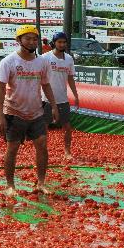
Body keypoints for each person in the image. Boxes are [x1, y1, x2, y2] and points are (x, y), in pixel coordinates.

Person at [0, 24, 59, 197]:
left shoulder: (42, 62)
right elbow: (0, 88)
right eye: (28, 38)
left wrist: (53, 106)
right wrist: (0, 114)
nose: (32, 42)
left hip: (36, 111)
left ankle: (41, 182)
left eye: (34, 39)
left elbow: (46, 85)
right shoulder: (8, 62)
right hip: (14, 112)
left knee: (42, 146)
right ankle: (10, 185)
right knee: (12, 147)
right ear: (19, 40)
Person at [41, 32, 79, 160]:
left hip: (62, 98)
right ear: (54, 43)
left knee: (67, 127)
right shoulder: (45, 58)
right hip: (45, 99)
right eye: (59, 42)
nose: (62, 44)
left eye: (64, 42)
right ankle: (43, 151)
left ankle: (67, 151)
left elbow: (70, 78)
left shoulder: (69, 59)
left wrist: (75, 95)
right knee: (44, 126)